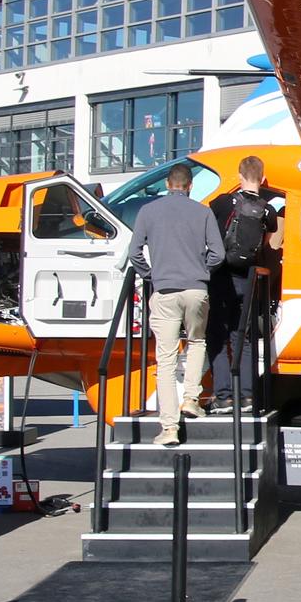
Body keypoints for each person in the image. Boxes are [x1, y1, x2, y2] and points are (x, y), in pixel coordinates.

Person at [125, 163, 224, 446]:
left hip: (165, 290)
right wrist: (202, 271)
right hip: (196, 288)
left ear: (168, 185)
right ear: (190, 186)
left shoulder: (148, 211)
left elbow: (134, 253)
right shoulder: (203, 212)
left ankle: (169, 429)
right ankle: (192, 399)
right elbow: (217, 254)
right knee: (197, 341)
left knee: (165, 362)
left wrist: (150, 275)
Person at [207, 155, 282, 413]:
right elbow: (268, 238)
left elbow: (209, 229)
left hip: (222, 277)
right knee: (246, 339)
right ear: (261, 179)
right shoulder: (268, 211)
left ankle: (224, 396)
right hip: (249, 279)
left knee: (217, 335)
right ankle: (248, 396)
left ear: (239, 176)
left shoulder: (223, 202)